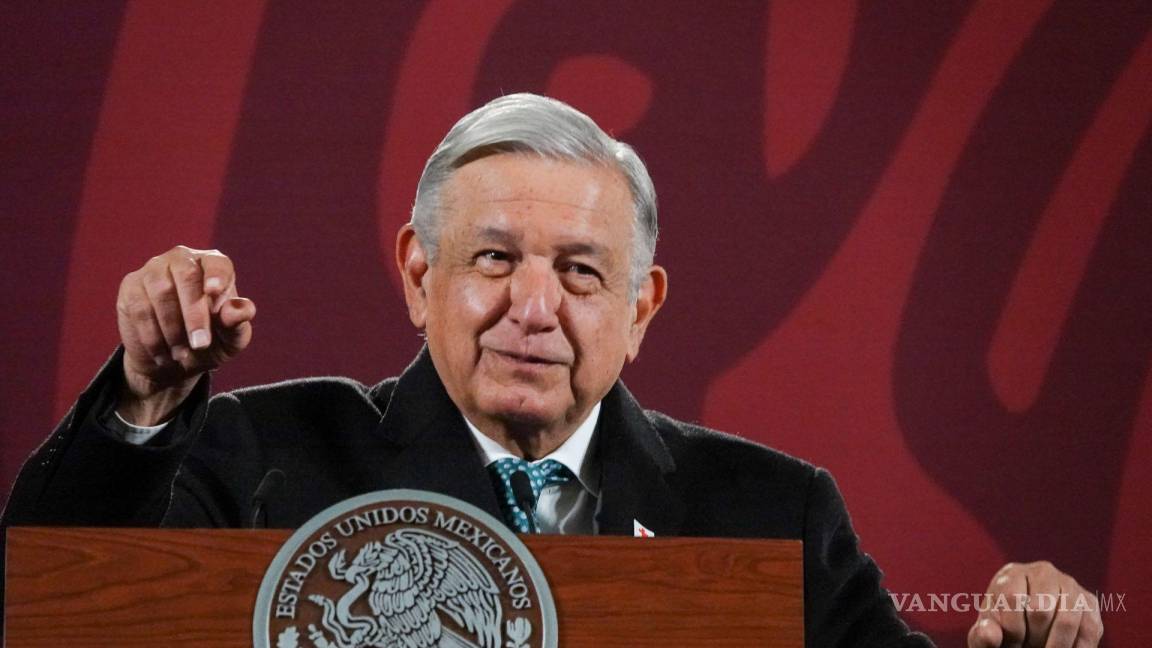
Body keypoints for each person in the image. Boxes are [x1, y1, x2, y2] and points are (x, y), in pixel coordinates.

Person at [2, 94, 1101, 647]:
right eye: (493, 260)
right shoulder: (259, 459)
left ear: (641, 310)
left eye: (581, 271)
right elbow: (50, 598)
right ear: (415, 273)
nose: (534, 309)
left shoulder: (773, 513)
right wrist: (145, 400)